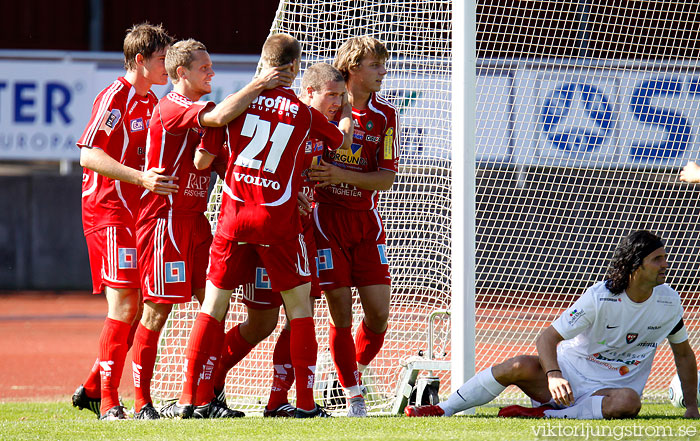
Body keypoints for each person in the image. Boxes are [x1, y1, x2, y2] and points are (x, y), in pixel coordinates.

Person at [164, 33, 352, 419]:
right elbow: (338, 140)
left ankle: (191, 399)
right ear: (295, 70)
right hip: (277, 220)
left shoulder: (232, 107)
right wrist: (346, 112)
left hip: (233, 218)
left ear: (264, 62)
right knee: (300, 309)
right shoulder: (303, 113)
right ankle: (301, 404)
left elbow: (202, 161)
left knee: (214, 307)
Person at [130, 38, 295, 420]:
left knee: (214, 307)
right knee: (157, 312)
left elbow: (220, 160)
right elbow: (219, 118)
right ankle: (141, 403)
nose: (212, 73)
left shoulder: (204, 112)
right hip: (165, 222)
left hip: (198, 222)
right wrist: (260, 84)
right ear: (181, 73)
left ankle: (205, 398)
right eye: (204, 68)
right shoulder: (173, 105)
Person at [405, 230, 700, 420]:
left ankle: (547, 416)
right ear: (636, 265)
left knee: (629, 402)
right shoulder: (600, 297)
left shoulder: (669, 302)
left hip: (609, 393)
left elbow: (684, 354)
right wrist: (555, 376)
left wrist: (691, 407)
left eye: (665, 258)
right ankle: (441, 409)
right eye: (657, 259)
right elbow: (547, 338)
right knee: (518, 364)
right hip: (567, 381)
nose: (666, 264)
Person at [72, 23, 177, 421]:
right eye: (162, 59)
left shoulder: (153, 102)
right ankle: (110, 403)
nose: (167, 66)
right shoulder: (116, 96)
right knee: (126, 303)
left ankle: (93, 386)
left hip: (137, 214)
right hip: (107, 211)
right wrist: (141, 178)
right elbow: (87, 155)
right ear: (140, 60)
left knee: (139, 306)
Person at [306, 36, 400, 416]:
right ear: (353, 70)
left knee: (378, 314)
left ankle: (349, 374)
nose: (383, 71)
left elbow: (386, 177)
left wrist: (341, 173)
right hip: (326, 220)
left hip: (365, 222)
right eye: (375, 65)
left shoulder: (385, 116)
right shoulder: (324, 107)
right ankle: (353, 396)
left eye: (383, 64)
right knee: (339, 313)